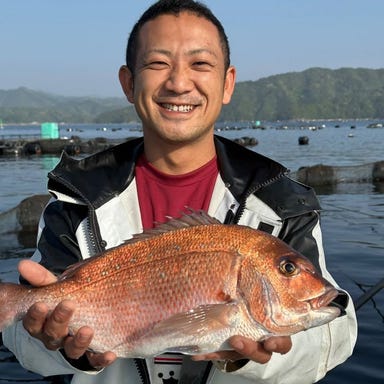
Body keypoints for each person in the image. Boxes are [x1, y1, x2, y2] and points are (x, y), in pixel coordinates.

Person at [3, 0, 357, 383]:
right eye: (158, 64)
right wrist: (66, 351)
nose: (178, 82)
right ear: (128, 83)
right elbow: (22, 342)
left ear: (227, 83)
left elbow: (337, 332)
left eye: (200, 64)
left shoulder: (282, 201)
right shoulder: (75, 201)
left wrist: (257, 357)